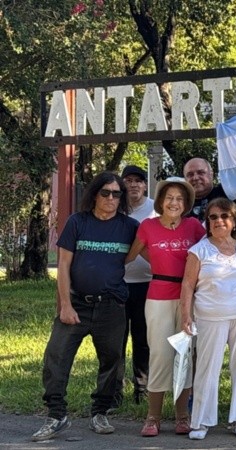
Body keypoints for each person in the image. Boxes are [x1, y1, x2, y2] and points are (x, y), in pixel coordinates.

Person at [32, 172, 138, 442]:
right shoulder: (77, 222)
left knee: (112, 362)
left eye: (117, 194)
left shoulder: (130, 226)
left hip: (112, 306)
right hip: (77, 303)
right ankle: (56, 415)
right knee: (56, 359)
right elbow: (63, 265)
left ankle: (100, 412)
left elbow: (154, 253)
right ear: (94, 194)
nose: (111, 198)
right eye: (106, 193)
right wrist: (65, 305)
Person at [180, 198, 236, 440]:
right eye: (213, 217)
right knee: (207, 368)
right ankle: (200, 421)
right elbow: (187, 285)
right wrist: (185, 315)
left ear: (233, 221)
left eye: (224, 216)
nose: (219, 221)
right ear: (207, 222)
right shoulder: (199, 250)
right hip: (210, 317)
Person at [126, 177, 206, 437]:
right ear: (161, 201)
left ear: (186, 203)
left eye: (180, 198)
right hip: (158, 295)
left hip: (188, 297)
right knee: (160, 354)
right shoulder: (148, 226)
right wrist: (157, 263)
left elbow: (209, 253)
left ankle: (183, 415)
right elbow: (132, 253)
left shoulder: (194, 226)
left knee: (185, 355)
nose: (174, 202)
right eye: (170, 197)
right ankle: (153, 416)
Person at [118, 165, 157, 406]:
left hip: (148, 283)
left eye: (138, 181)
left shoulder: (155, 209)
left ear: (145, 185)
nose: (133, 184)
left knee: (142, 338)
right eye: (128, 180)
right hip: (119, 283)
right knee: (116, 338)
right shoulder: (115, 207)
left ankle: (142, 388)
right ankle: (115, 388)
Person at [183, 158, 232, 222]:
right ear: (185, 179)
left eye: (201, 172)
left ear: (211, 174)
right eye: (190, 175)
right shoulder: (180, 204)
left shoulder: (227, 192)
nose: (195, 178)